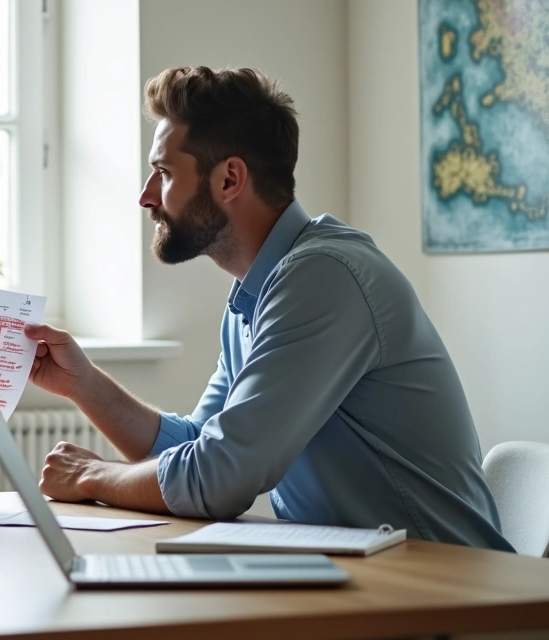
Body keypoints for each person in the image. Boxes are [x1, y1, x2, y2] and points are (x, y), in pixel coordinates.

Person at [25, 66, 512, 552]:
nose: (146, 196)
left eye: (164, 172)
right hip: (359, 571)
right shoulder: (256, 294)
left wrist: (93, 476)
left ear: (230, 178)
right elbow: (198, 448)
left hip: (442, 586)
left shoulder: (324, 277)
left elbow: (218, 479)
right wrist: (82, 383)